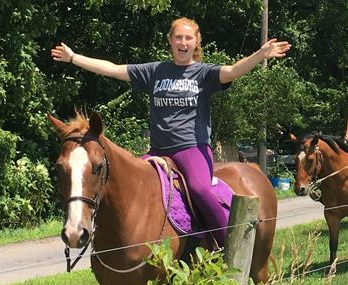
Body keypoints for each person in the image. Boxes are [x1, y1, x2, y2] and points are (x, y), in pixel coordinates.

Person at [51, 17, 291, 246]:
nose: (183, 43)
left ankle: (232, 243)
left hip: (192, 149)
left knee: (200, 189)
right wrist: (73, 58)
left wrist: (260, 55)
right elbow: (113, 69)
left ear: (196, 41)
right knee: (128, 184)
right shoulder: (155, 71)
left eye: (188, 38)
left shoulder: (203, 73)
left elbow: (232, 71)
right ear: (170, 41)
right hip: (157, 151)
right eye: (178, 38)